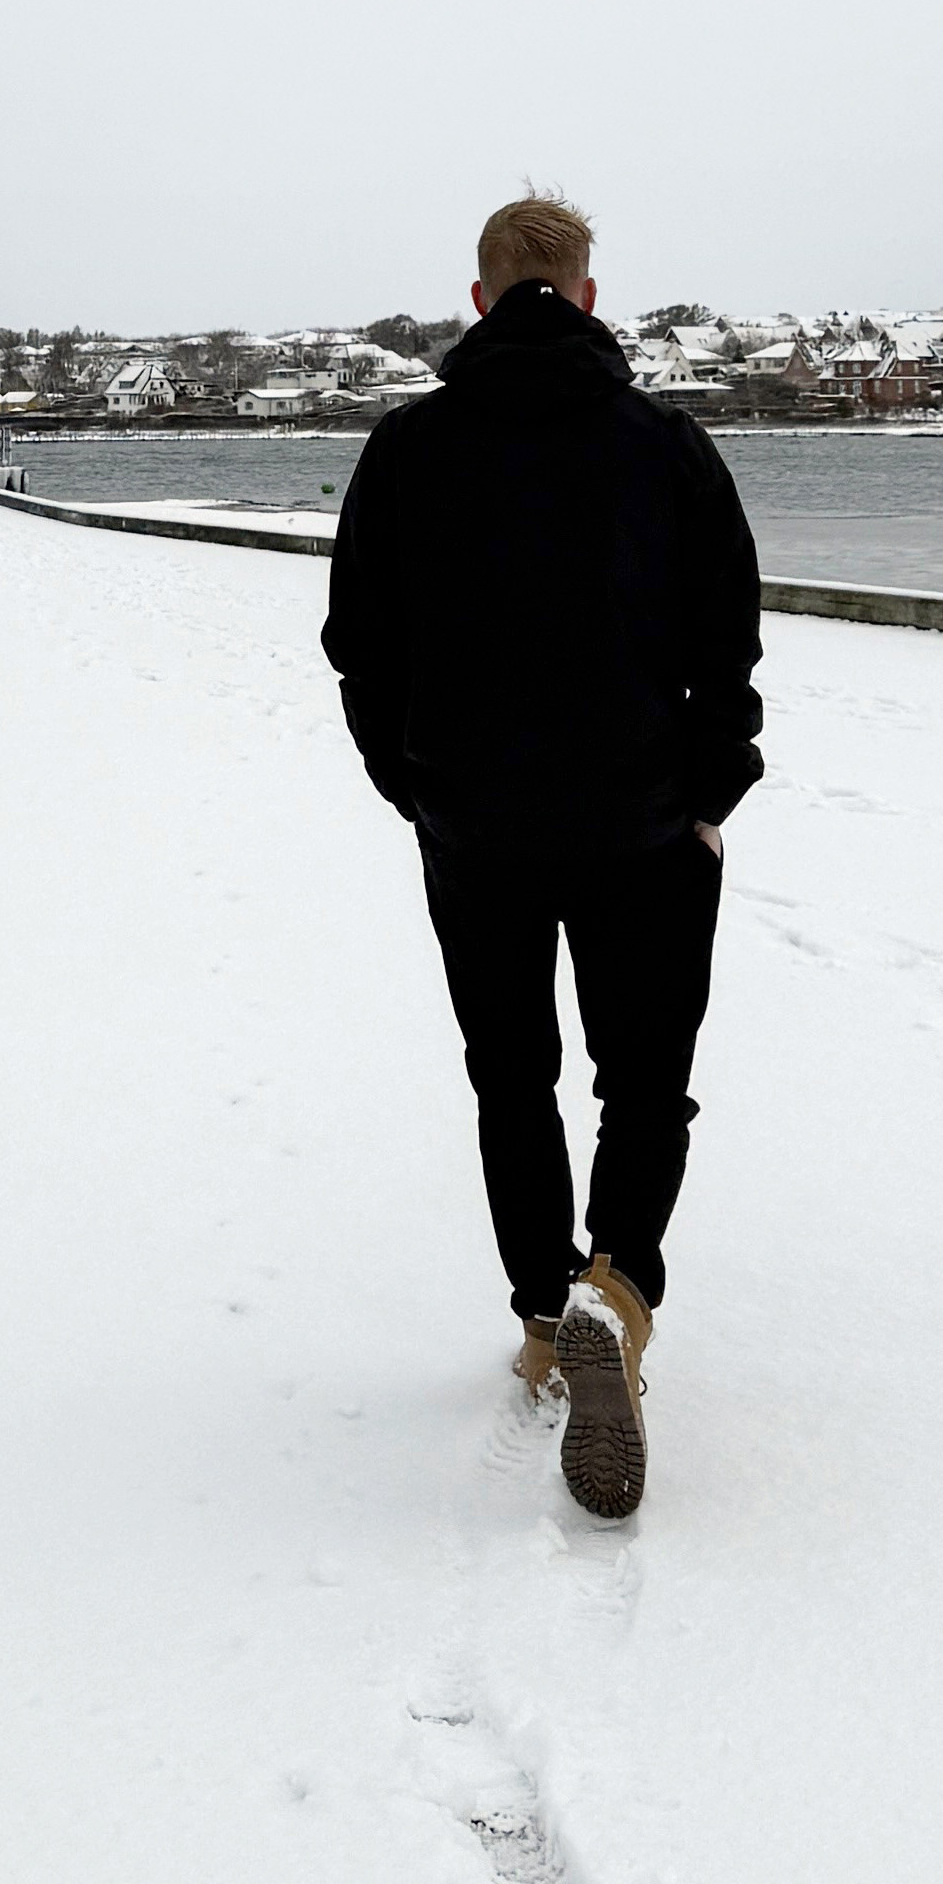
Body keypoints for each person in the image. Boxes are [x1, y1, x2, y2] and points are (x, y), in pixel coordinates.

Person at [319, 191, 764, 1519]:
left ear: (478, 300)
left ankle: (538, 1311)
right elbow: (728, 633)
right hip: (644, 822)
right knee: (645, 1086)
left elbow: (360, 640)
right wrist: (711, 789)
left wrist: (415, 786)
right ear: (584, 293)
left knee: (511, 1076)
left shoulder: (408, 448)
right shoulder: (665, 442)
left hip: (478, 827)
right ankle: (615, 1293)